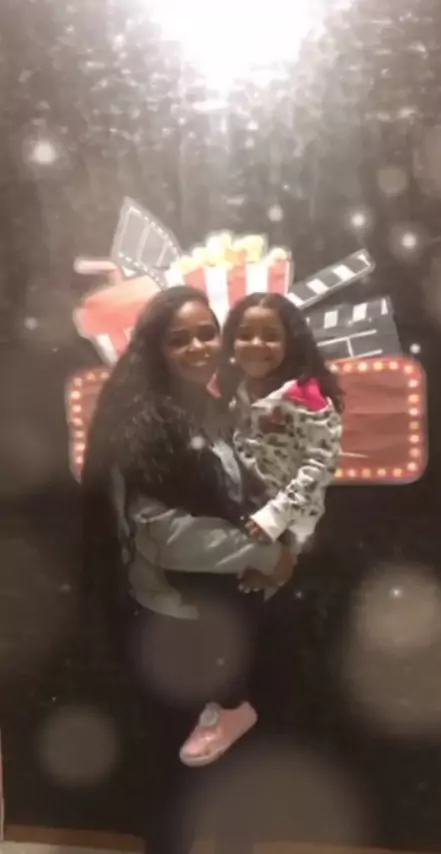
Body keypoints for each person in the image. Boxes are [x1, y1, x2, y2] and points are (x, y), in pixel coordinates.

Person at [81, 285, 295, 853]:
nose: (199, 346)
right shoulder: (142, 425)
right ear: (157, 348)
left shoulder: (215, 410)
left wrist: (281, 541)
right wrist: (267, 554)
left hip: (229, 616)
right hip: (174, 624)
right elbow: (168, 538)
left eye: (207, 333)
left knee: (234, 769)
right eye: (180, 339)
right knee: (174, 778)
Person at [217, 291, 344, 572]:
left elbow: (321, 464)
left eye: (271, 336)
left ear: (291, 343)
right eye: (245, 334)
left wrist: (276, 516)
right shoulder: (237, 394)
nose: (256, 344)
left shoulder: (305, 395)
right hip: (248, 514)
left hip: (292, 524)